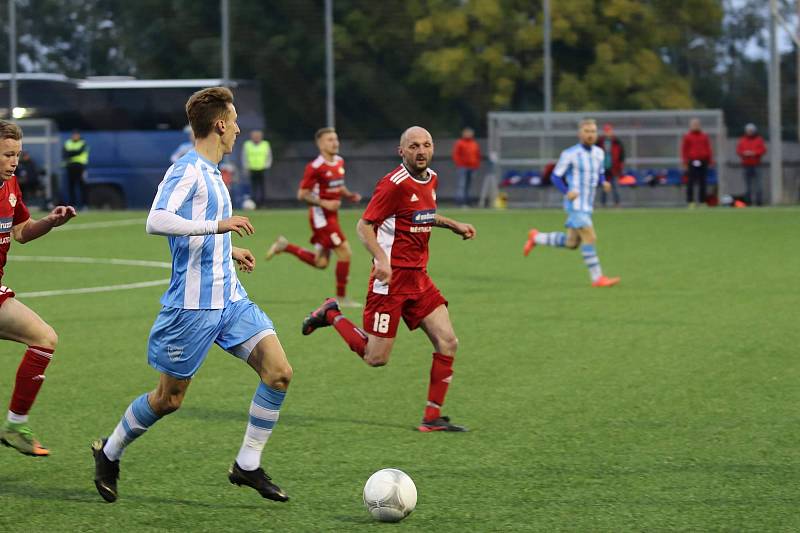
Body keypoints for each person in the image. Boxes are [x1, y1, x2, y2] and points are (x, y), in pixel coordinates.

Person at [91, 87, 293, 504]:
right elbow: (156, 220)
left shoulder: (215, 171)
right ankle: (108, 452)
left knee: (279, 372)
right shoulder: (187, 169)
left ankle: (247, 466)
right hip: (192, 308)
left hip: (231, 300)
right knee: (168, 400)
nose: (238, 128)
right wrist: (218, 228)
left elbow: (198, 226)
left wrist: (228, 249)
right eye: (234, 120)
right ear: (220, 125)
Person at [301, 126, 476, 432]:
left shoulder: (431, 177)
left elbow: (422, 214)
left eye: (426, 145)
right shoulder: (392, 184)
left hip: (419, 278)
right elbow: (363, 226)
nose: (421, 151)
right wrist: (382, 260)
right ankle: (332, 314)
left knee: (448, 342)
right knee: (375, 357)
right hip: (390, 281)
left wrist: (453, 224)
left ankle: (432, 417)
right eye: (413, 146)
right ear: (402, 151)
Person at [0, 120, 77, 457]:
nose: (13, 161)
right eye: (6, 155)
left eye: (16, 154)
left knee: (44, 338)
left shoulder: (11, 186)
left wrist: (51, 221)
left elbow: (22, 231)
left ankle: (16, 424)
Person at [264, 127, 362, 307]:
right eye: (330, 140)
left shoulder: (339, 162)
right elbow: (302, 194)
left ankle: (285, 246)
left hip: (332, 216)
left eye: (336, 139)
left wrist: (349, 196)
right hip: (321, 218)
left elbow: (339, 185)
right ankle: (341, 298)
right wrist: (325, 203)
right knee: (345, 252)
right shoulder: (315, 167)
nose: (335, 143)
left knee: (321, 262)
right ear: (320, 144)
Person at [523, 119, 620, 288]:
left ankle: (536, 237)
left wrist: (604, 182)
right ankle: (597, 278)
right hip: (575, 205)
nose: (590, 135)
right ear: (580, 134)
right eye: (587, 131)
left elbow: (601, 172)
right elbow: (555, 176)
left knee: (572, 243)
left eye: (593, 131)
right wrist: (567, 192)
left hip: (588, 205)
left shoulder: (599, 153)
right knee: (590, 237)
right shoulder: (570, 153)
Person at [681, 118, 713, 208]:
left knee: (703, 182)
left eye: (697, 124)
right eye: (694, 124)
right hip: (692, 161)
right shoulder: (687, 136)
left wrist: (710, 161)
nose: (695, 126)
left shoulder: (704, 136)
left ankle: (702, 201)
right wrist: (685, 162)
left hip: (703, 161)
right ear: (690, 126)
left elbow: (708, 149)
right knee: (690, 182)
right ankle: (690, 201)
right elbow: (684, 150)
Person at [736, 123, 767, 206]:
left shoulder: (759, 139)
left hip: (757, 165)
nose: (750, 132)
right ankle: (748, 202)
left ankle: (759, 202)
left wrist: (754, 153)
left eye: (751, 130)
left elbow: (763, 150)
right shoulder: (742, 140)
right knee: (747, 186)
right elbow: (739, 150)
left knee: (758, 185)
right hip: (746, 165)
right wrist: (744, 153)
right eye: (748, 130)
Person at [241, 130, 272, 207]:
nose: (256, 138)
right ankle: (254, 203)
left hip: (262, 169)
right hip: (252, 169)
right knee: (253, 187)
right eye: (255, 136)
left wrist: (267, 165)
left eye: (258, 136)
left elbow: (269, 156)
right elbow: (244, 156)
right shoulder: (247, 145)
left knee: (262, 187)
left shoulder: (265, 144)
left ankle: (263, 203)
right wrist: (246, 167)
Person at [451, 127, 481, 206]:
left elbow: (477, 155)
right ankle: (460, 201)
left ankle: (468, 201)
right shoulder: (460, 143)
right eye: (467, 133)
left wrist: (476, 165)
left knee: (469, 185)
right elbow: (456, 154)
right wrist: (459, 164)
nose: (468, 134)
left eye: (470, 133)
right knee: (462, 184)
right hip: (463, 167)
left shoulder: (474, 143)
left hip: (472, 167)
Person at [596, 124, 624, 207]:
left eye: (609, 131)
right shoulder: (599, 142)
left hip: (614, 168)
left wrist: (620, 167)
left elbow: (621, 156)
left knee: (615, 187)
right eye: (606, 131)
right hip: (603, 168)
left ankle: (617, 203)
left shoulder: (617, 142)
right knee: (604, 187)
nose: (607, 133)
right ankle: (603, 203)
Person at [62, 130, 89, 209]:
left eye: (76, 135)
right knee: (71, 187)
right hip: (70, 166)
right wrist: (73, 153)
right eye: (74, 135)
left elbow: (79, 152)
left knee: (82, 187)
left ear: (79, 135)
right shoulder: (68, 142)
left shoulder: (83, 143)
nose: (75, 136)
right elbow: (64, 153)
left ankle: (84, 205)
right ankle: (73, 205)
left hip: (80, 167)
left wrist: (70, 153)